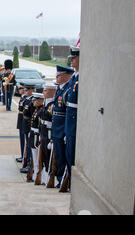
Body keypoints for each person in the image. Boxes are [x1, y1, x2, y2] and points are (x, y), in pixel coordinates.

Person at [61, 46, 80, 192]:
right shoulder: (74, 77)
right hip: (70, 116)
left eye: (74, 58)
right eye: (71, 58)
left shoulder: (80, 77)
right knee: (68, 152)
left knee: (72, 151)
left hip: (75, 116)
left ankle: (74, 184)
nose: (71, 60)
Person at [52, 65, 75, 189]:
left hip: (63, 128)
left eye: (59, 75)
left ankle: (64, 181)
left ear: (67, 76)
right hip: (56, 127)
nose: (57, 77)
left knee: (64, 156)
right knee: (59, 156)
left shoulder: (68, 90)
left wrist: (66, 130)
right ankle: (60, 178)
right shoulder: (60, 89)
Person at [39, 83, 57, 187]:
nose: (43, 93)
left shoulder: (52, 104)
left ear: (52, 91)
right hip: (44, 131)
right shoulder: (46, 103)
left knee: (49, 156)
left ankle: (50, 177)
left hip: (50, 132)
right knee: (45, 155)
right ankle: (45, 176)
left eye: (45, 91)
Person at [28, 93, 44, 183]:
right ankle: (35, 174)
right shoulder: (36, 110)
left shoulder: (41, 111)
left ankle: (39, 175)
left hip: (37, 135)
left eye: (35, 100)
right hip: (33, 134)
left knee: (38, 158)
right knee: (34, 157)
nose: (33, 102)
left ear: (40, 101)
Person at [20, 85, 36, 174]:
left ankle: (30, 164)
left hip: (30, 126)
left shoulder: (31, 101)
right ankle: (27, 162)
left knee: (30, 146)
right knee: (27, 145)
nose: (25, 91)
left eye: (27, 90)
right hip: (25, 125)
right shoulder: (26, 99)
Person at [15, 86, 26, 163]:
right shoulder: (23, 98)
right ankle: (23, 155)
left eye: (21, 89)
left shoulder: (27, 99)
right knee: (22, 140)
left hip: (24, 122)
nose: (19, 90)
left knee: (25, 141)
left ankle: (25, 157)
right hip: (21, 121)